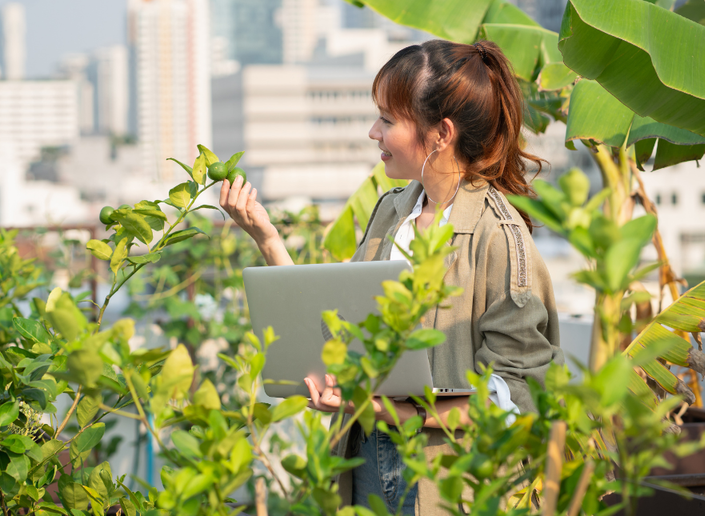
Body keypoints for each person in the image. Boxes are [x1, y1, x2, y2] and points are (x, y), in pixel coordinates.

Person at [219, 39, 564, 516]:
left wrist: (396, 412)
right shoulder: (392, 212)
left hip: (445, 481)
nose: (372, 132)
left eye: (387, 120)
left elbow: (515, 395)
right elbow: (332, 327)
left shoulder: (498, 236)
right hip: (365, 461)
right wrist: (267, 238)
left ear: (440, 133)